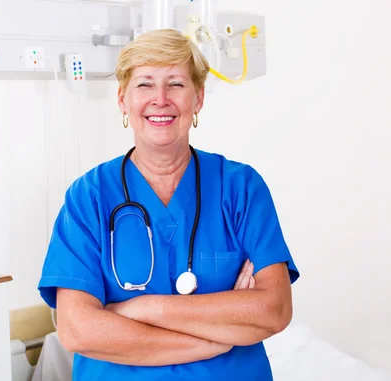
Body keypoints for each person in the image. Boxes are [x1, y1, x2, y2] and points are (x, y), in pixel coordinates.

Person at [37, 28, 300, 381]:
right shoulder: (89, 197)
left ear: (198, 98)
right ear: (122, 100)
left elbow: (275, 309)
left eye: (176, 83)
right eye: (145, 84)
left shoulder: (240, 188)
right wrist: (216, 342)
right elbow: (77, 329)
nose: (160, 99)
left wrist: (144, 308)